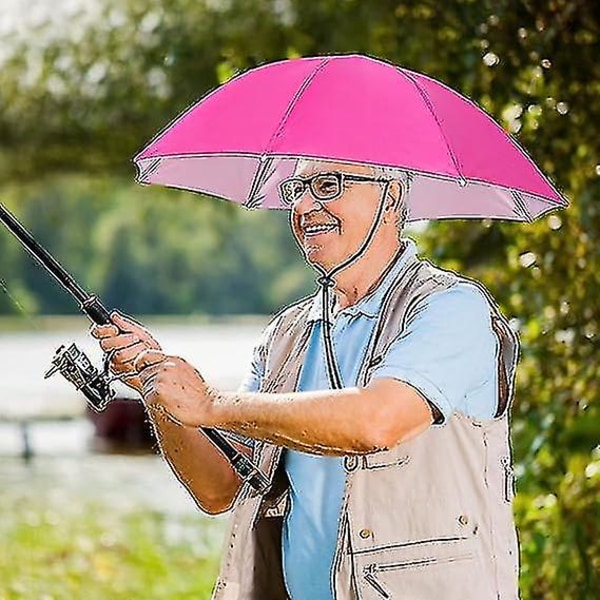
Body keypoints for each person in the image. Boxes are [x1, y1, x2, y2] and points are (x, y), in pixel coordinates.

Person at [92, 159, 520, 599]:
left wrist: (211, 404)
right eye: (298, 188)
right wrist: (158, 389)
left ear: (391, 196)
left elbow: (376, 422)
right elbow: (219, 488)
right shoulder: (286, 335)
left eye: (328, 185)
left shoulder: (452, 308)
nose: (305, 205)